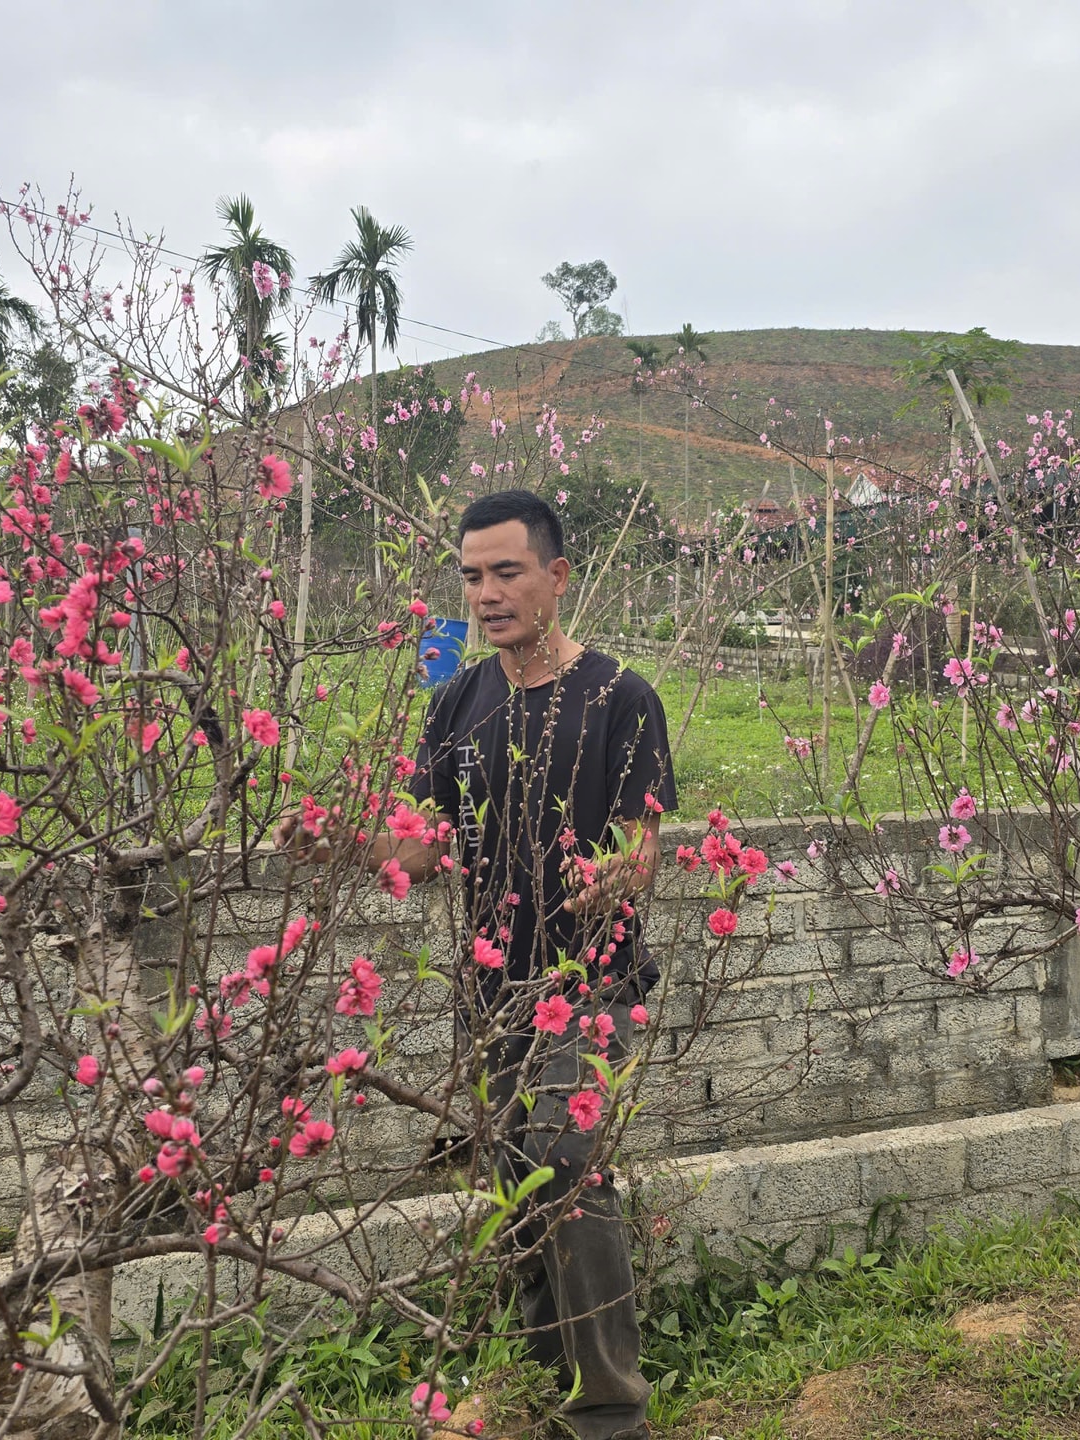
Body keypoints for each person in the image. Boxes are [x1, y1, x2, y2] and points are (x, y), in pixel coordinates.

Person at [289, 489, 673, 1440]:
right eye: (471, 577)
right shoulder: (458, 701)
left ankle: (608, 1412)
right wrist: (340, 839)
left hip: (592, 981)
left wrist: (612, 874)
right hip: (495, 990)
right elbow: (423, 849)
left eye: (507, 572)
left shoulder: (622, 696)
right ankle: (548, 1363)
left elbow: (647, 845)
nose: (488, 594)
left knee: (571, 1163)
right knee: (518, 1175)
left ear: (556, 576)